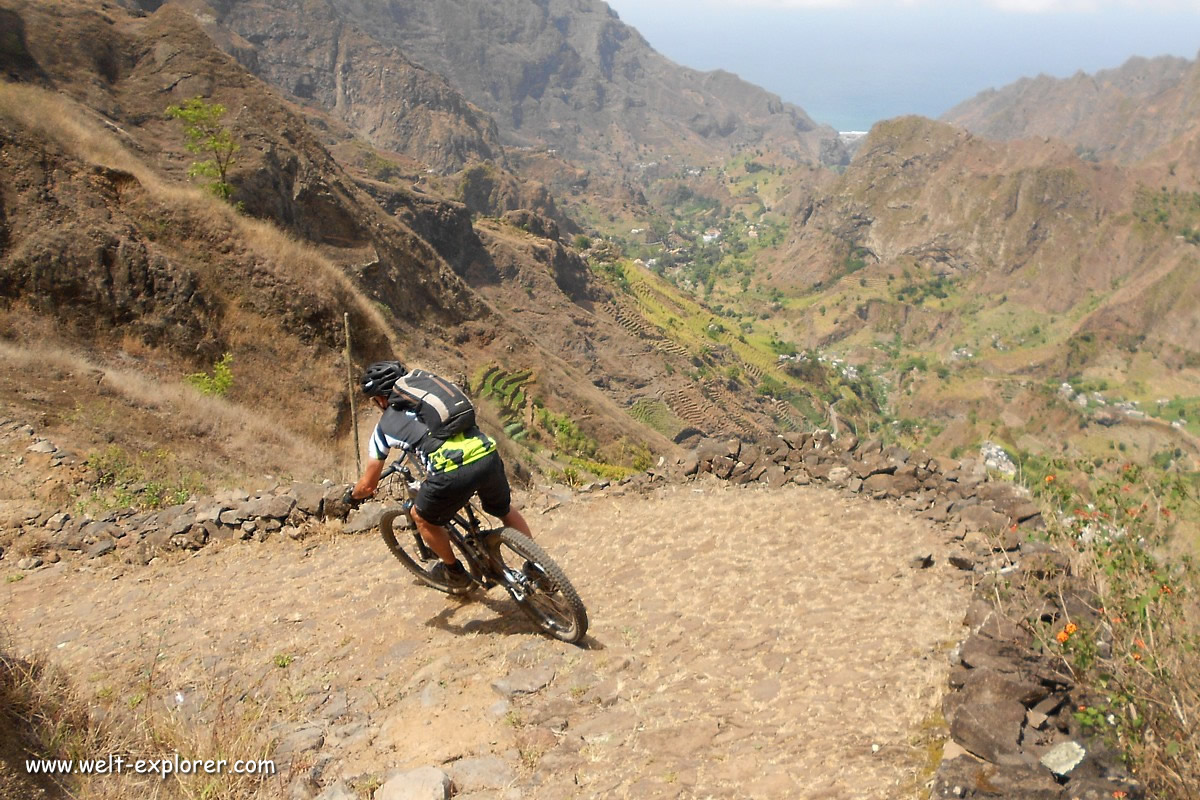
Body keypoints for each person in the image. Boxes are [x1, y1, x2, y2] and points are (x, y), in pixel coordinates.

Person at [346, 360, 534, 588]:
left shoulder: (384, 428)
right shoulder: (433, 401)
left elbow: (368, 485)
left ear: (381, 398)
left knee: (421, 517)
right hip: (488, 455)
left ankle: (454, 572)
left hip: (452, 474)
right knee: (503, 510)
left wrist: (351, 497)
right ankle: (539, 567)